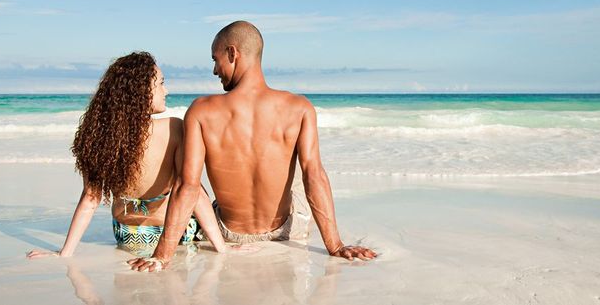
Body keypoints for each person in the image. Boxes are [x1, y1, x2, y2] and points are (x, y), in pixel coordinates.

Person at [129, 21, 376, 271]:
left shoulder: (201, 111)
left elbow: (188, 186)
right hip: (288, 231)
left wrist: (162, 255)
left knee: (190, 179)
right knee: (307, 171)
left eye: (215, 60)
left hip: (230, 233)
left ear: (232, 53)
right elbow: (315, 176)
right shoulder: (299, 108)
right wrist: (335, 246)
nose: (215, 70)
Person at [27, 52, 225, 260]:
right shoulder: (173, 128)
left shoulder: (99, 137)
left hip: (126, 235)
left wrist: (64, 253)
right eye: (161, 83)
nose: (166, 90)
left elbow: (90, 198)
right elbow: (192, 193)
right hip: (173, 235)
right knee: (207, 197)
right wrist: (222, 248)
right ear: (142, 91)